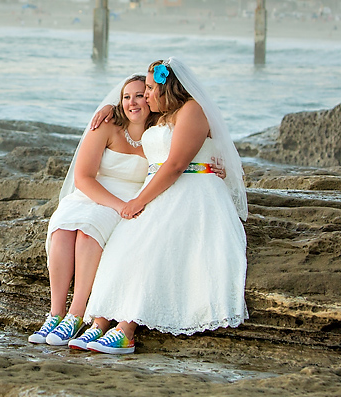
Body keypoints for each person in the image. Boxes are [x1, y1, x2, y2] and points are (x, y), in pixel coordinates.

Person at [29, 74, 225, 348]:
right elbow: (83, 177)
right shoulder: (107, 124)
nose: (133, 101)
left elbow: (185, 154)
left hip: (130, 196)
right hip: (94, 193)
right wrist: (110, 108)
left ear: (151, 97)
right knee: (62, 231)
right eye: (125, 97)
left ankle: (76, 314)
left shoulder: (162, 125)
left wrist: (212, 165)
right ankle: (55, 313)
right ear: (118, 101)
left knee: (88, 236)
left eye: (141, 94)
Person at [82, 57, 248, 354]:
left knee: (154, 245)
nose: (145, 95)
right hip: (160, 189)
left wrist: (138, 201)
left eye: (148, 88)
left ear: (165, 86)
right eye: (143, 89)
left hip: (193, 192)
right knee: (123, 244)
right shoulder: (161, 116)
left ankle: (127, 330)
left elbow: (175, 165)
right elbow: (131, 116)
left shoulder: (192, 110)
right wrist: (110, 109)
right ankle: (100, 321)